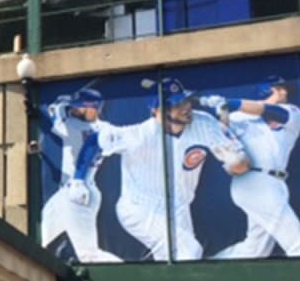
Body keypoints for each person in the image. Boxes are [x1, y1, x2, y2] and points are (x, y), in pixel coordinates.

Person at [92, 77, 249, 261]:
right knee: (189, 252)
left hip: (180, 209)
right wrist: (78, 179)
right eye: (177, 104)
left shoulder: (203, 123)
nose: (186, 107)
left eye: (186, 100)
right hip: (140, 208)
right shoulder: (139, 135)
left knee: (175, 263)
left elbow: (242, 165)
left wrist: (235, 161)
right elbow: (94, 140)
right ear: (157, 110)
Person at [203, 76, 300, 258]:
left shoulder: (292, 112)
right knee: (298, 246)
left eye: (284, 89)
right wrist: (221, 111)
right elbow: (221, 134)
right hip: (252, 182)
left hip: (275, 183)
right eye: (278, 89)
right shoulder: (238, 117)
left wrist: (230, 102)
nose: (284, 92)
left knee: (255, 249)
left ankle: (210, 266)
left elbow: (268, 110)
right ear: (265, 89)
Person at [41, 88, 123, 263]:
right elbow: (57, 113)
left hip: (80, 191)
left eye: (81, 107)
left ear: (93, 108)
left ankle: (130, 274)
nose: (77, 110)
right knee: (45, 235)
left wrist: (62, 103)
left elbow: (56, 113)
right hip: (67, 191)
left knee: (88, 255)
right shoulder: (96, 126)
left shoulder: (79, 126)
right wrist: (68, 102)